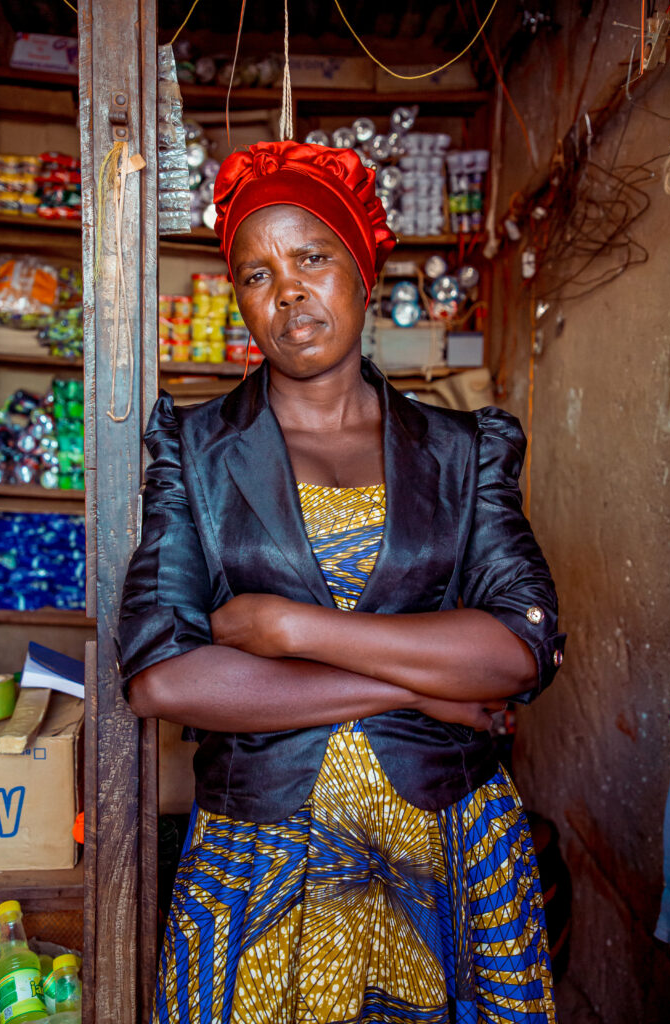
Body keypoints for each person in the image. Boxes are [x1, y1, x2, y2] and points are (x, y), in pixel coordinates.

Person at [119, 140, 566, 1024]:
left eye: (312, 257)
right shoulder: (195, 451)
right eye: (256, 274)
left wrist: (291, 630)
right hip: (258, 864)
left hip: (449, 850)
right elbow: (163, 677)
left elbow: (519, 646)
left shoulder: (464, 449)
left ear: (362, 270)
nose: (287, 292)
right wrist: (423, 686)